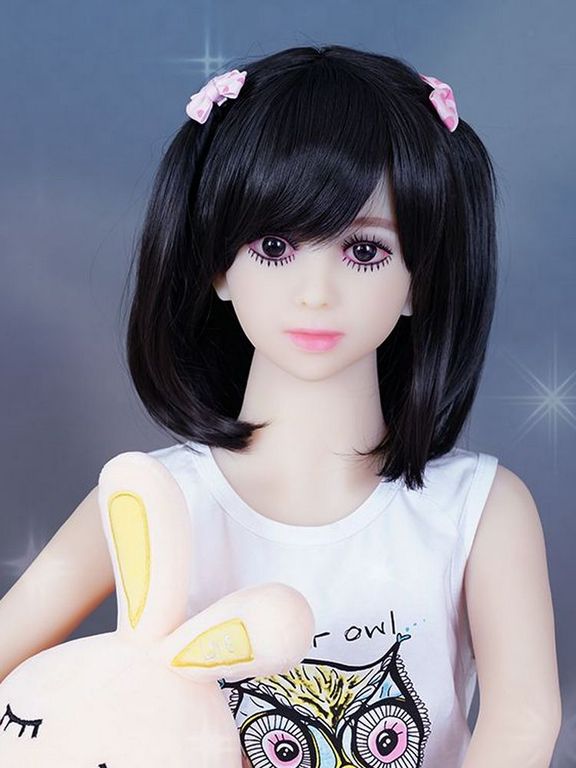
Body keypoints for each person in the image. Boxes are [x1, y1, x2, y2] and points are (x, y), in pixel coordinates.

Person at [0, 45, 562, 767]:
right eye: (274, 246)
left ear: (420, 280)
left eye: (365, 251)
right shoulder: (157, 498)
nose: (315, 293)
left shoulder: (479, 512)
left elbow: (524, 719)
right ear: (217, 267)